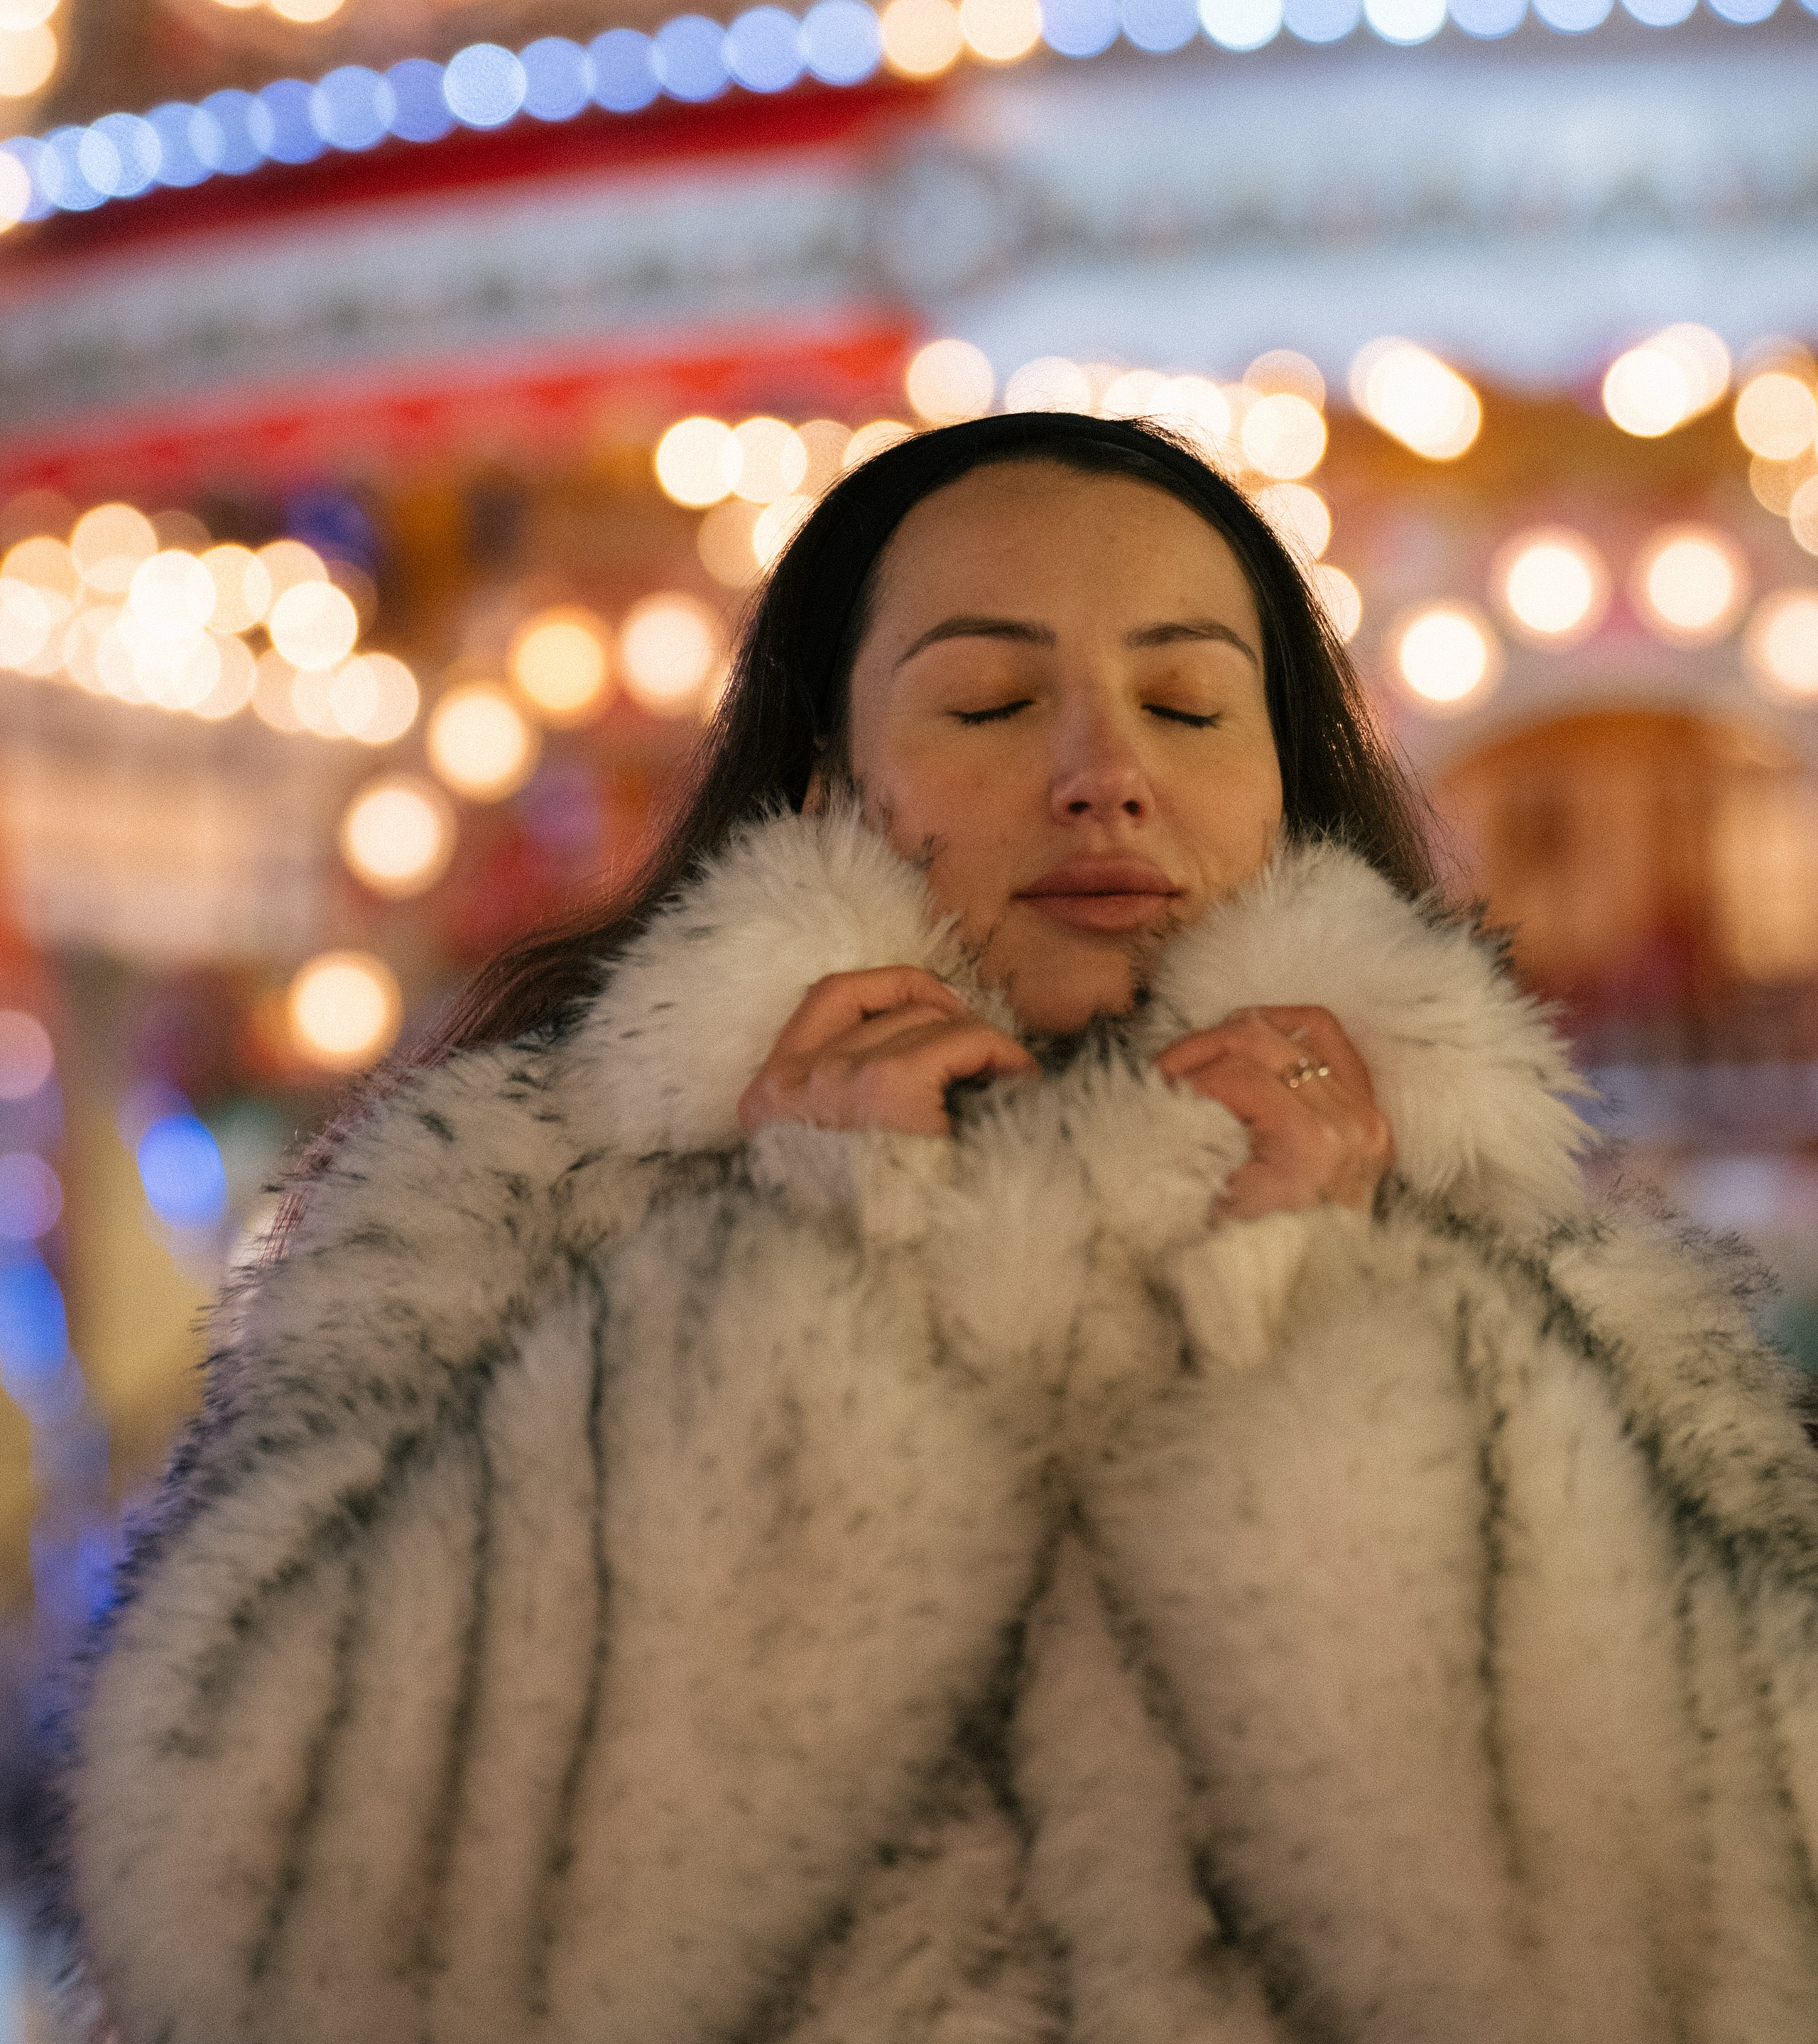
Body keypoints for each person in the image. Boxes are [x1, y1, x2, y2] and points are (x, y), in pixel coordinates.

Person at [66, 412, 1818, 2043]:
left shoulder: (1542, 1271)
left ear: (1281, 786)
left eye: (1188, 708)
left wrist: (1360, 1329)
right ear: (820, 784)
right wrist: (777, 1296)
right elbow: (270, 1924)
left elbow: (1719, 1949)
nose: (1102, 774)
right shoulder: (508, 1209)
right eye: (986, 704)